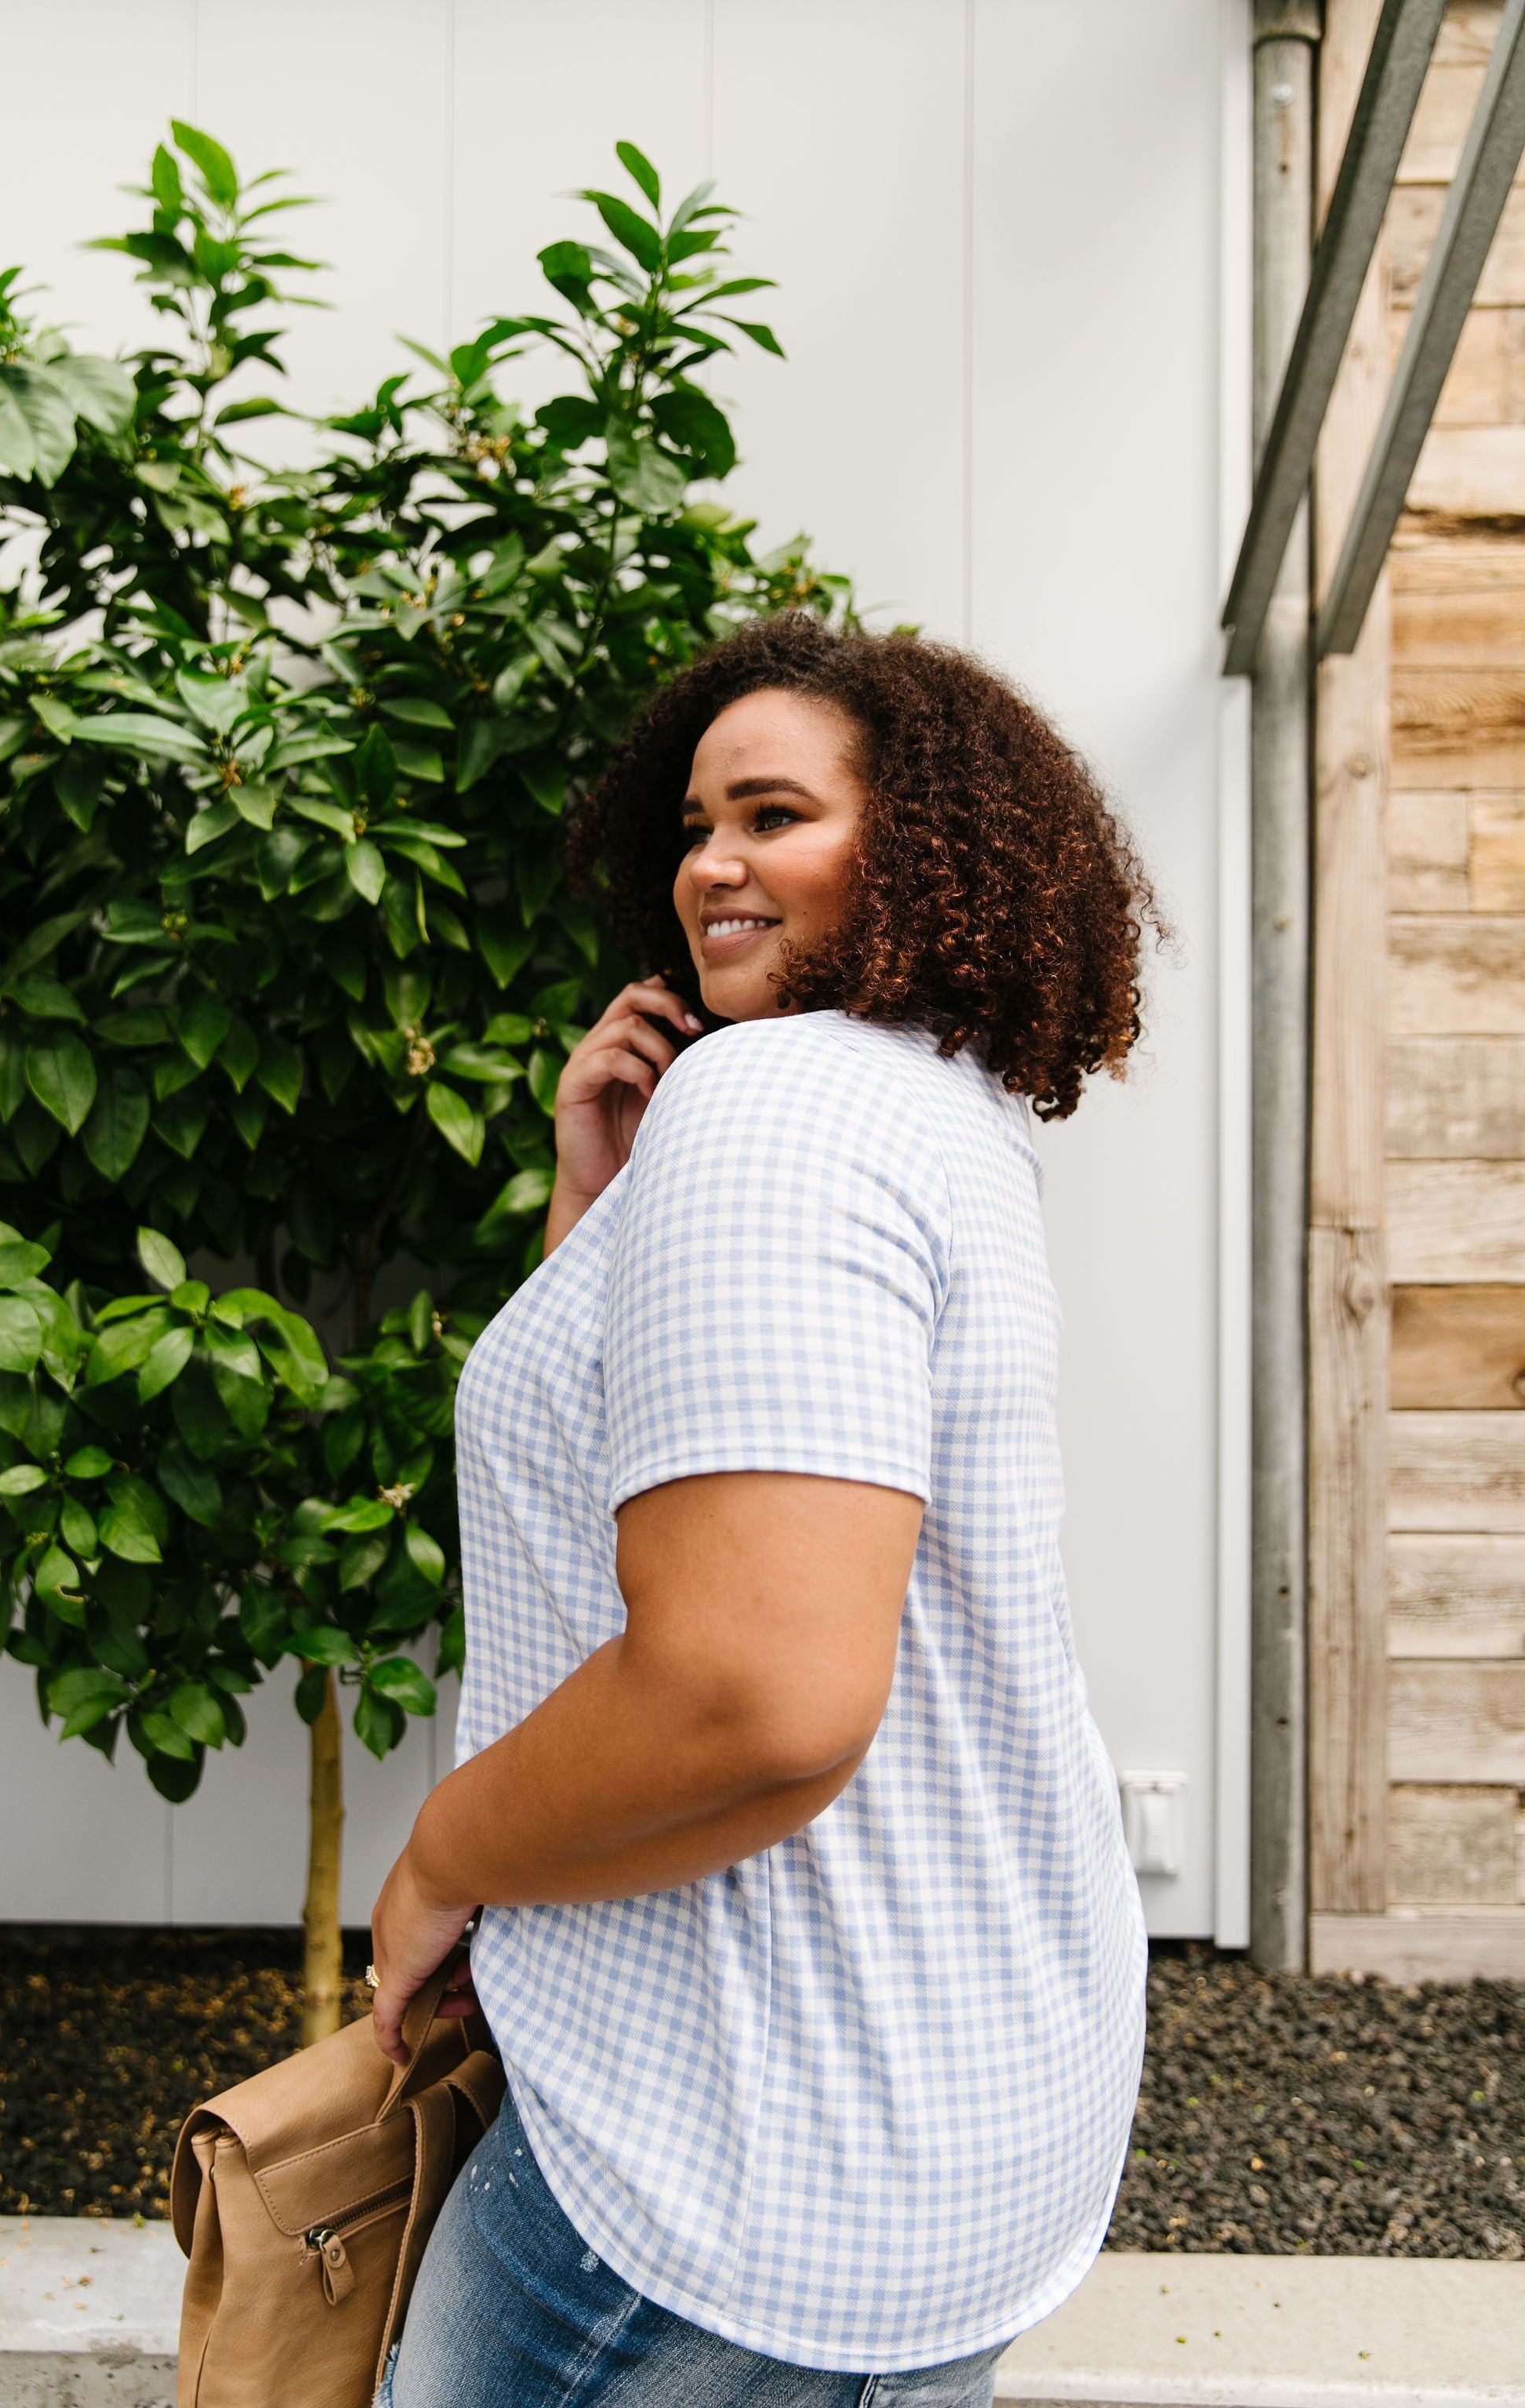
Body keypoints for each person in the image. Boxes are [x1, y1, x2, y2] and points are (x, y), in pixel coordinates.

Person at [369, 613, 1159, 2406]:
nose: (710, 863)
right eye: (698, 822)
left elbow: (754, 1691)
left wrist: (443, 1860)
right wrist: (600, 1200)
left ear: (922, 848)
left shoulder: (777, 1101)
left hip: (725, 2140)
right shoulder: (926, 1107)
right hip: (923, 2094)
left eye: (775, 814)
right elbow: (637, 1493)